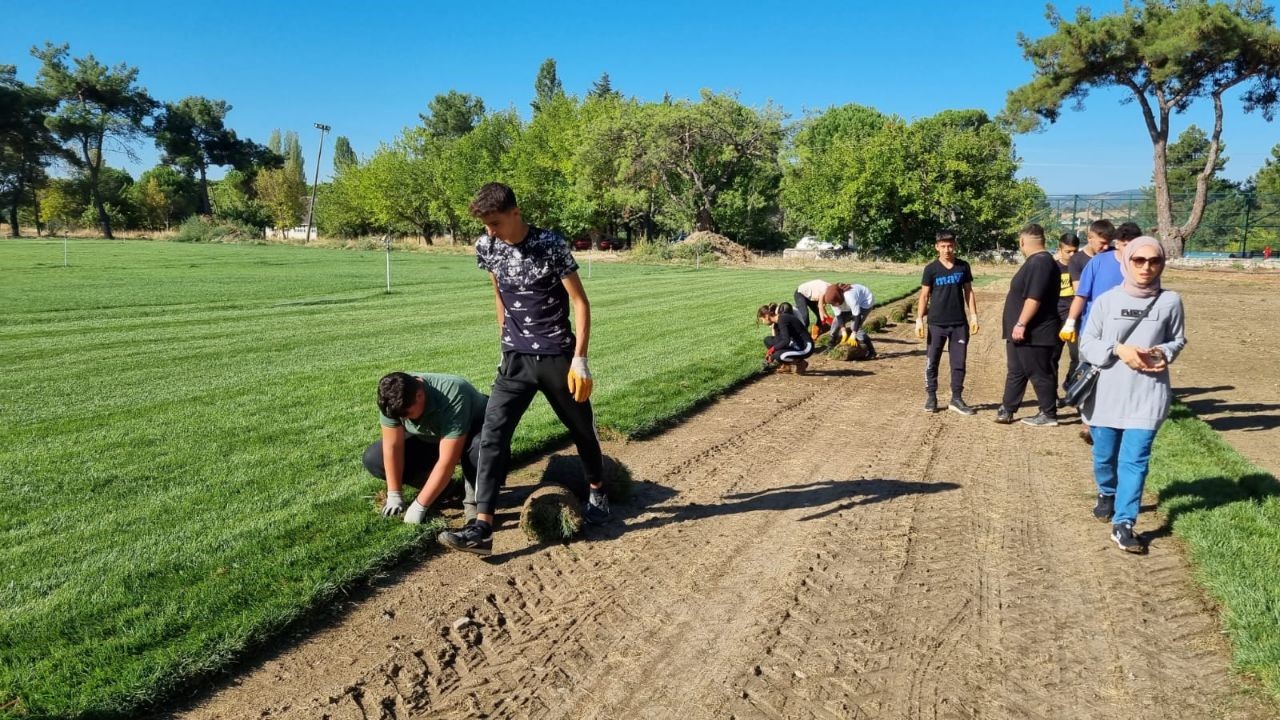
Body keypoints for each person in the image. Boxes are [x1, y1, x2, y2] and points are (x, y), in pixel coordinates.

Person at [437, 183, 609, 556]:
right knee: (493, 433)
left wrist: (580, 357)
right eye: (486, 226)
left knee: (580, 427)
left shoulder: (550, 245)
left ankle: (597, 491)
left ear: (516, 212)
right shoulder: (487, 247)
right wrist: (503, 342)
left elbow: (580, 302)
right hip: (515, 359)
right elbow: (497, 293)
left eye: (496, 223)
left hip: (556, 357)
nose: (490, 232)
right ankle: (481, 527)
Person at [1079, 236, 1186, 552]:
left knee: (1135, 460)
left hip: (1147, 394)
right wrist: (1118, 349)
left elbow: (1178, 339)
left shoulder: (1170, 302)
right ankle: (1106, 492)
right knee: (1104, 456)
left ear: (1162, 264)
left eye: (1154, 261)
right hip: (1106, 394)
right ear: (1127, 261)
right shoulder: (1107, 301)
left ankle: (1124, 522)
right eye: (1139, 260)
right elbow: (1087, 344)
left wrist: (1162, 352)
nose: (1146, 267)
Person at [363, 372, 488, 524]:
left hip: (476, 434)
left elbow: (447, 462)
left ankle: (474, 505)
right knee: (374, 458)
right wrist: (394, 494)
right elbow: (392, 447)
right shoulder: (392, 399)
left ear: (420, 395)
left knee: (479, 450)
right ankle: (447, 490)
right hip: (433, 437)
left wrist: (420, 505)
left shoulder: (453, 394)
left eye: (407, 414)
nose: (403, 419)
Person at [1060, 221, 1140, 442]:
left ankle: (1115, 423)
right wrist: (1070, 321)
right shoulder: (1098, 263)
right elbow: (1081, 295)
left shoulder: (1139, 267)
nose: (1128, 250)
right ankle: (1087, 425)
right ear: (1118, 243)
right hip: (1093, 330)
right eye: (1124, 245)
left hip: (1127, 334)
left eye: (1132, 245)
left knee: (1119, 379)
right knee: (1090, 376)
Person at [996, 224, 1061, 426]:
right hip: (1023, 333)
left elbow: (1034, 298)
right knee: (1016, 369)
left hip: (1035, 332)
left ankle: (1048, 413)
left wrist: (1021, 323)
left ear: (1022, 241)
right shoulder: (1037, 262)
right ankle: (1008, 409)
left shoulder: (1040, 262)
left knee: (1040, 372)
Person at [915, 229, 978, 415]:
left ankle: (956, 398)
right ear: (937, 247)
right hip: (936, 323)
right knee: (932, 360)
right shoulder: (931, 269)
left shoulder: (963, 267)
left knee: (958, 362)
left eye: (950, 245)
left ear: (955, 246)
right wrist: (919, 320)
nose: (947, 249)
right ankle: (931, 396)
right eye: (943, 246)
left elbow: (969, 292)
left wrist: (973, 315)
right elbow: (924, 295)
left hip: (959, 323)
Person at [1053, 232, 1081, 391]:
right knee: (1052, 357)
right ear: (1059, 249)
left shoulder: (1080, 267)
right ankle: (1052, 393)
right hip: (1055, 316)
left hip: (1073, 317)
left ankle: (1069, 383)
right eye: (1068, 251)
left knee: (1077, 356)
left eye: (1075, 251)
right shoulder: (1052, 267)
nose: (1072, 255)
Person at [759, 302, 815, 374]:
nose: (763, 322)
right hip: (795, 344)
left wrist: (771, 351)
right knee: (768, 340)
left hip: (805, 347)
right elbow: (779, 339)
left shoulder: (782, 319)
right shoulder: (778, 321)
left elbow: (786, 341)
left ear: (767, 316)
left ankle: (800, 363)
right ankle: (786, 366)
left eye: (762, 320)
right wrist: (772, 350)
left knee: (778, 355)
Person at [824, 282, 877, 357]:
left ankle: (871, 351)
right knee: (835, 323)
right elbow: (839, 316)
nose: (834, 305)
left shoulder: (849, 296)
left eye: (835, 303)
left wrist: (853, 333)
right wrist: (843, 331)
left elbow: (857, 316)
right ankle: (831, 345)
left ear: (839, 297)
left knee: (854, 327)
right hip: (848, 305)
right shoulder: (832, 301)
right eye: (833, 304)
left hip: (865, 302)